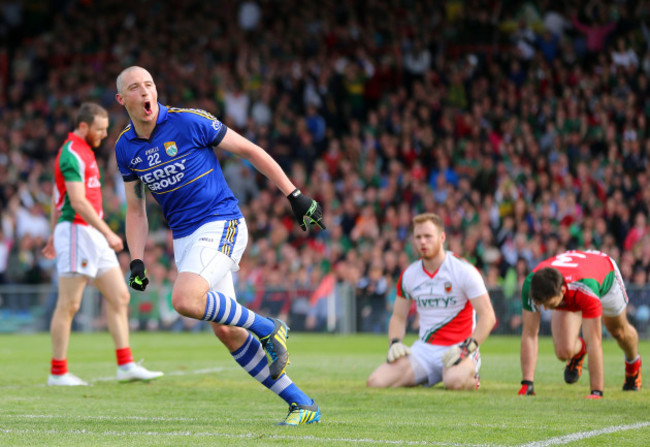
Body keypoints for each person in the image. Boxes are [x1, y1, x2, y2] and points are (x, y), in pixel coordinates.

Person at [113, 66, 325, 425]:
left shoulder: (189, 121)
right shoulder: (125, 148)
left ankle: (269, 326)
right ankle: (302, 404)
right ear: (123, 100)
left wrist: (294, 194)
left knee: (184, 300)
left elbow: (250, 150)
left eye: (149, 84)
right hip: (185, 239)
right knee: (226, 330)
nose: (145, 91)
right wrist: (136, 260)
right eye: (135, 87)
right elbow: (136, 209)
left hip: (221, 221)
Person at [42, 102, 163, 386]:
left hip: (90, 233)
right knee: (69, 304)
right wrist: (108, 233)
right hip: (77, 232)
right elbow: (77, 201)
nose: (103, 135)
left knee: (120, 296)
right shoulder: (71, 153)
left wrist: (51, 234)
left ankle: (126, 365)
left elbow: (53, 197)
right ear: (83, 127)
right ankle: (57, 373)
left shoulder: (85, 152)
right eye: (99, 129)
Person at [366, 213, 496, 390]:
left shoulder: (464, 271)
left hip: (458, 347)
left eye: (428, 236)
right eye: (418, 237)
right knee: (376, 382)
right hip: (424, 350)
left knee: (454, 382)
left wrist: (467, 348)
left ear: (442, 237)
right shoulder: (409, 275)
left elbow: (488, 316)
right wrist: (394, 342)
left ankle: (471, 376)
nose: (422, 242)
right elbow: (398, 317)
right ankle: (424, 376)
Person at [519, 250, 642, 399]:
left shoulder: (585, 289)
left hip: (604, 277)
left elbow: (594, 341)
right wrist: (527, 383)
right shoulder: (531, 285)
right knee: (563, 352)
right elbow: (529, 333)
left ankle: (633, 364)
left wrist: (596, 392)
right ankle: (579, 351)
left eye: (549, 304)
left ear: (562, 292)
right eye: (542, 304)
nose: (545, 309)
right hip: (574, 280)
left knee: (618, 332)